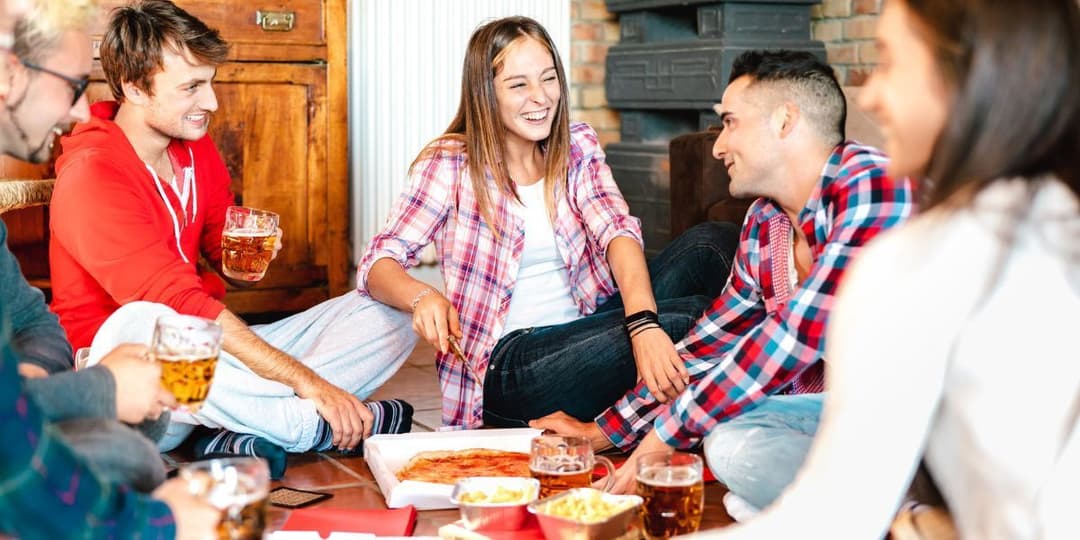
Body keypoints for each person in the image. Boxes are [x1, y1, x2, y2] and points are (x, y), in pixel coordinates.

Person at [682, 0, 1080, 538]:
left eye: (890, 62)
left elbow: (838, 505)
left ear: (968, 74)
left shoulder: (902, 253)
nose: (868, 95)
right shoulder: (914, 251)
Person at [534, 50, 915, 512]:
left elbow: (796, 334)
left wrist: (659, 440)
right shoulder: (765, 223)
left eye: (730, 122)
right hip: (847, 419)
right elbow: (707, 346)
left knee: (715, 440)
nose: (717, 146)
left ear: (784, 121)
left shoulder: (873, 185)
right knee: (727, 439)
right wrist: (608, 432)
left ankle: (896, 513)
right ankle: (846, 507)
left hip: (929, 421)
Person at [48, 0, 416, 466]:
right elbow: (182, 306)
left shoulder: (194, 148)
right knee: (142, 321)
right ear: (134, 88)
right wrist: (310, 383)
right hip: (130, 394)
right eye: (192, 87)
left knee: (390, 311)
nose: (212, 103)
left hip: (208, 372)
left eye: (210, 83)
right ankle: (303, 425)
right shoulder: (93, 175)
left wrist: (243, 254)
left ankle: (239, 424)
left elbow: (221, 253)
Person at [357, 16, 739, 430]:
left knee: (713, 243)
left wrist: (643, 323)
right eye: (518, 85)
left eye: (548, 79)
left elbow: (617, 231)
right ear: (486, 94)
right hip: (509, 365)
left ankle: (789, 373)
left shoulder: (576, 145)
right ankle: (687, 406)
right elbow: (378, 261)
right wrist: (420, 296)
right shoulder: (450, 164)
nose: (540, 98)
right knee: (690, 319)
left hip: (592, 325)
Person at [0, 1, 219, 538]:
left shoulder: (196, 153)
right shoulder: (96, 166)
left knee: (123, 449)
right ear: (8, 74)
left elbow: (34, 321)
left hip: (24, 415)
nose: (81, 111)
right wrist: (96, 391)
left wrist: (24, 386)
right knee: (126, 453)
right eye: (74, 84)